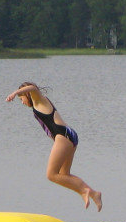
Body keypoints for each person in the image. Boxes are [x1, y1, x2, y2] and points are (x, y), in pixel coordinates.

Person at [6, 82, 103, 211]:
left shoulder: (39, 100)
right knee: (64, 174)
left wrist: (15, 93)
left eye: (21, 99)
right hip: (69, 136)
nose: (22, 102)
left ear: (27, 95)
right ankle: (93, 194)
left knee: (51, 175)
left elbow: (33, 88)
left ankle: (84, 191)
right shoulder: (37, 104)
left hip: (62, 136)